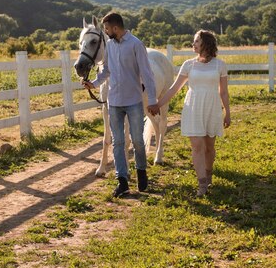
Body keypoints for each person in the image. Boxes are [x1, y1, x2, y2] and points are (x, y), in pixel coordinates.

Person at [82, 12, 158, 197]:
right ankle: (122, 180)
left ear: (115, 28)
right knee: (118, 142)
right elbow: (106, 70)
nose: (105, 32)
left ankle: (141, 171)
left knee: (138, 141)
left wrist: (154, 100)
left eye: (107, 29)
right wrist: (94, 83)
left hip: (133, 101)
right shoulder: (109, 46)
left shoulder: (135, 44)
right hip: (114, 101)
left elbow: (147, 74)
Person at [148, 29, 231, 196]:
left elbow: (223, 92)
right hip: (193, 107)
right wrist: (158, 104)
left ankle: (208, 174)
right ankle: (202, 184)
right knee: (197, 146)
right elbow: (174, 89)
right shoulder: (188, 64)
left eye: (196, 42)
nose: (193, 44)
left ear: (206, 44)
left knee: (209, 147)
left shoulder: (219, 65)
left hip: (212, 107)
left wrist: (227, 112)